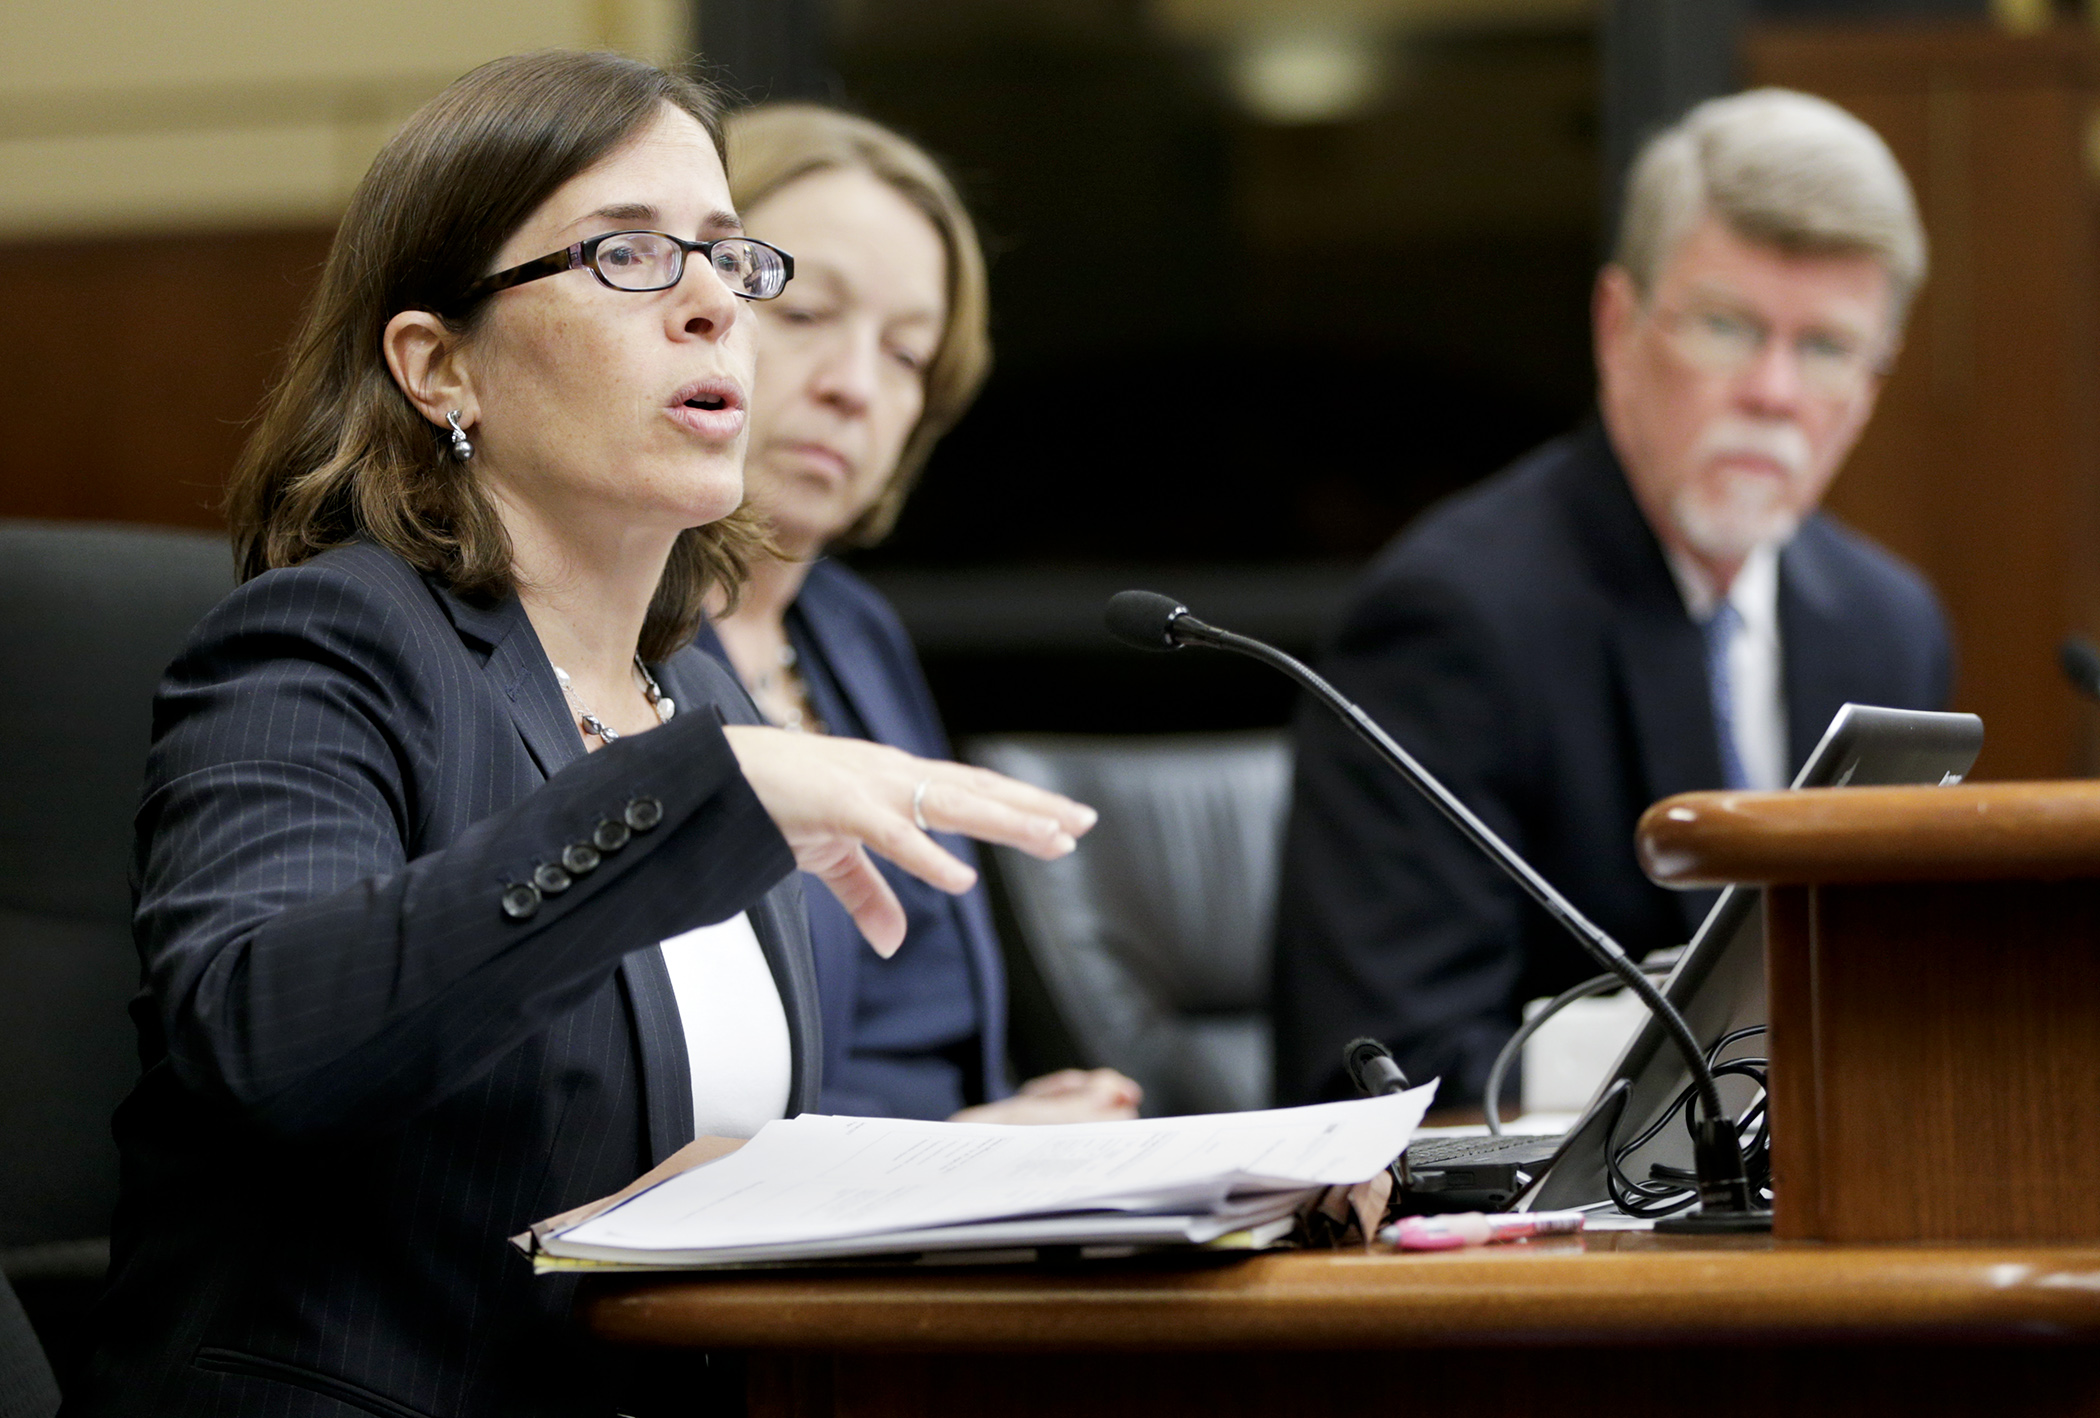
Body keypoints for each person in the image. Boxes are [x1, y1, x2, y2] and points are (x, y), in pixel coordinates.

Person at [75, 52, 1095, 1418]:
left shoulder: (699, 693)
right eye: (628, 255)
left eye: (731, 260)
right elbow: (265, 1037)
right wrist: (686, 801)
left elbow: (633, 1173)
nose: (711, 306)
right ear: (440, 365)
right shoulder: (327, 643)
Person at [1272, 88, 1953, 1108]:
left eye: (1824, 348)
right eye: (1726, 326)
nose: (1773, 392)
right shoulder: (1450, 617)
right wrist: (1734, 1052)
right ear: (1616, 326)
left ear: (1872, 384)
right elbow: (1377, 1059)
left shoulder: (1889, 626)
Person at [705, 102, 1140, 1125]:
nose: (856, 386)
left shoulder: (851, 631)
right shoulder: (600, 649)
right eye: (805, 314)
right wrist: (956, 1154)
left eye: (907, 354)